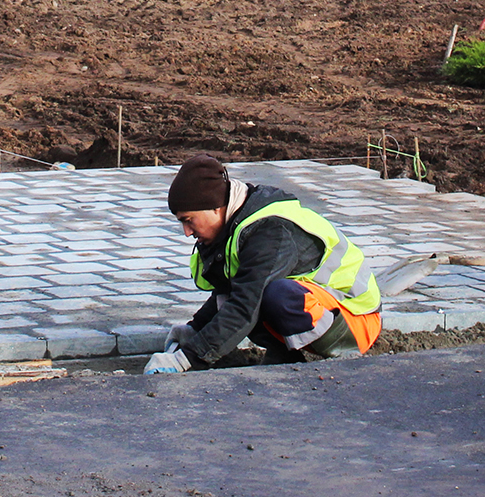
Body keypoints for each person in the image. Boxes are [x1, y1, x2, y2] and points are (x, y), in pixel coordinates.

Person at [144, 155, 382, 375]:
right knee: (251, 291)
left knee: (274, 295)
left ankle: (341, 358)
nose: (186, 232)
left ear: (215, 207)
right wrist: (194, 330)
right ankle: (285, 357)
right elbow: (230, 293)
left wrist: (187, 359)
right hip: (326, 309)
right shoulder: (237, 224)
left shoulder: (271, 231)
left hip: (355, 320)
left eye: (188, 221)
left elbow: (245, 305)